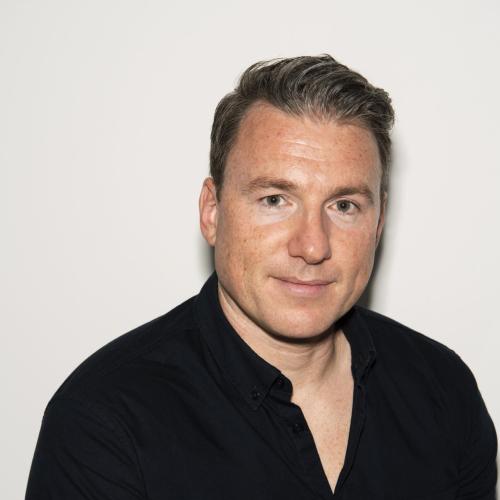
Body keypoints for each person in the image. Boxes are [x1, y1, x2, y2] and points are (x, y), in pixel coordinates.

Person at [25, 55, 497, 500]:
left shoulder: (444, 390)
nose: (312, 246)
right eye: (275, 200)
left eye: (344, 206)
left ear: (378, 224)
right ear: (212, 212)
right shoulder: (103, 421)